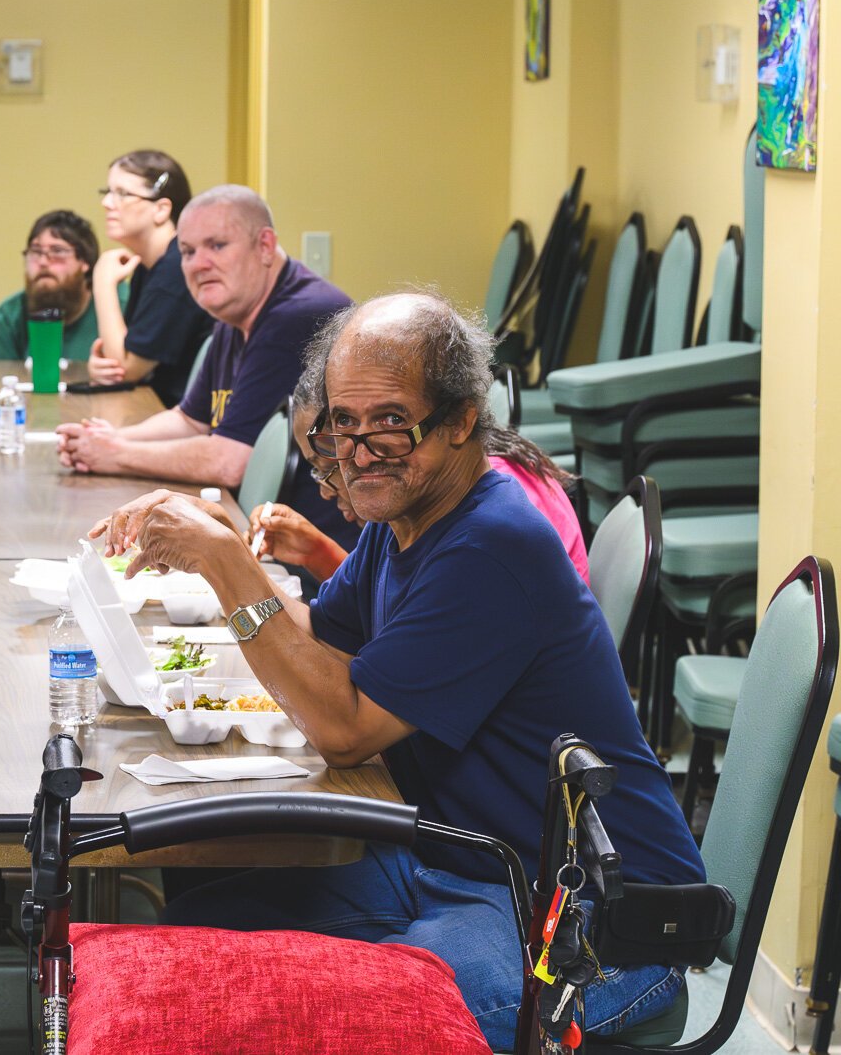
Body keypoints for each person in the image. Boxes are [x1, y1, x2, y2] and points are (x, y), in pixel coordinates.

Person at [92, 293, 701, 1048]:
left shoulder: (490, 545)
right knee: (188, 934)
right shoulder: (406, 517)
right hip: (459, 863)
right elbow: (318, 634)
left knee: (347, 1021)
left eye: (388, 421)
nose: (357, 450)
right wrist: (228, 552)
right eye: (342, 423)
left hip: (589, 922)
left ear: (459, 420)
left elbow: (345, 726)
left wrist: (226, 568)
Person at [57, 184, 359, 551]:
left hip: (318, 559)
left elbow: (229, 460)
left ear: (264, 246)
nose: (198, 264)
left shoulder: (297, 316)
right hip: (259, 531)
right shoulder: (235, 316)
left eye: (217, 246)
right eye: (187, 251)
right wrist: (111, 439)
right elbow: (190, 418)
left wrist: (113, 454)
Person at [250, 407, 591, 583]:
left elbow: (371, 712)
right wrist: (317, 552)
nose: (326, 489)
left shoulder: (490, 518)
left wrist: (232, 569)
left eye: (330, 463)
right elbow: (365, 618)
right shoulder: (410, 507)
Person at [85, 150, 213, 406]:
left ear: (161, 210)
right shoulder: (151, 264)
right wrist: (101, 365)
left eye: (122, 194)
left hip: (186, 422)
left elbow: (126, 369)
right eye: (107, 192)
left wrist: (102, 282)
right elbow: (122, 356)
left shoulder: (176, 268)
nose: (107, 203)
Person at [0, 210, 108, 363]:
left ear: (85, 261)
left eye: (58, 251)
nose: (43, 262)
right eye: (36, 251)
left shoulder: (118, 305)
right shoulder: (12, 313)